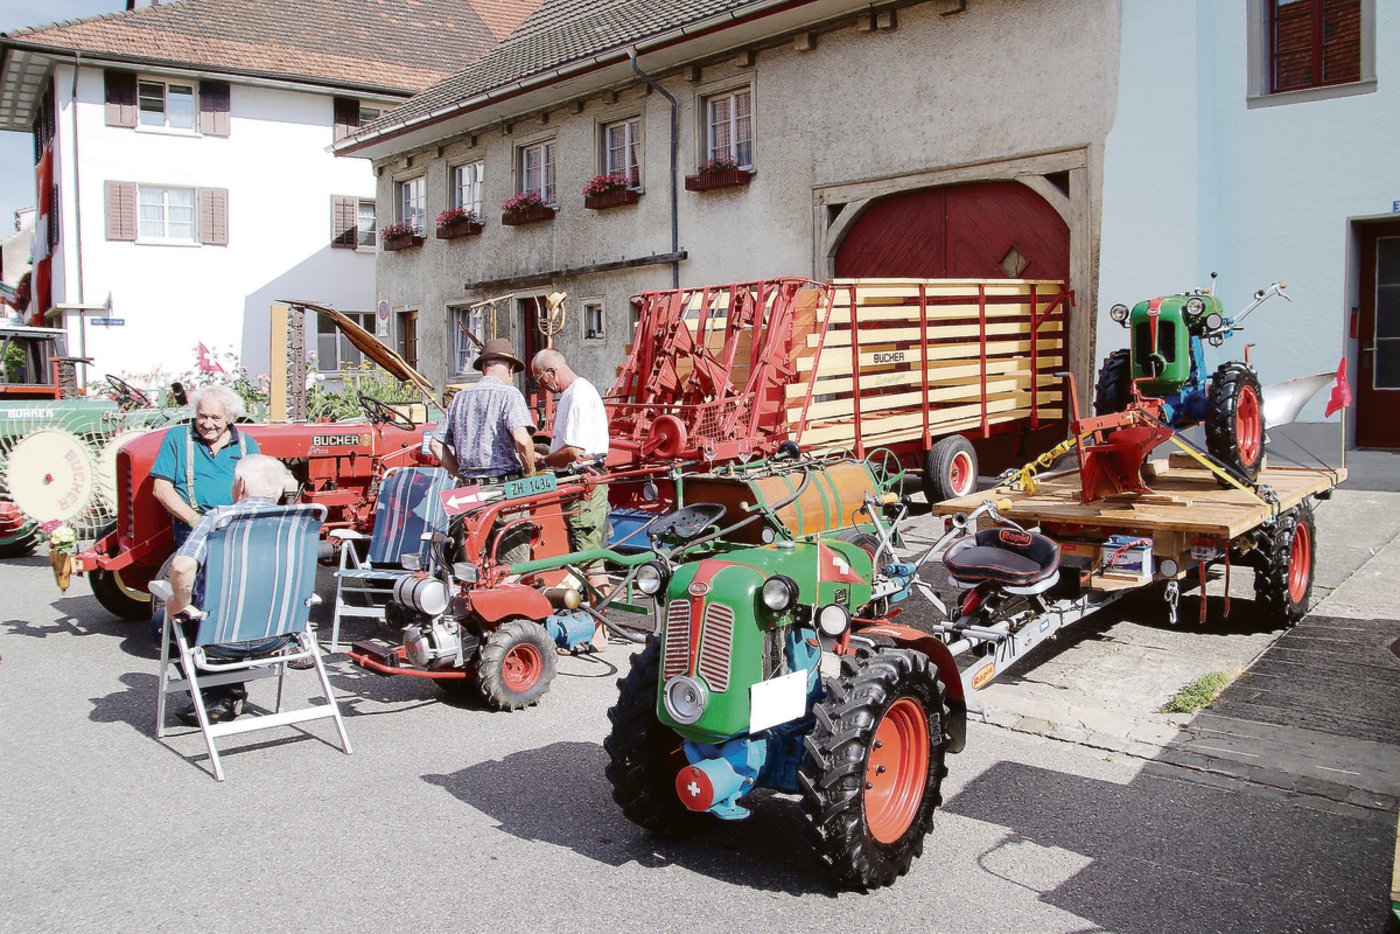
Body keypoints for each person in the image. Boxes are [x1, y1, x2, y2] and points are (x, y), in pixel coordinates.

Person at [162, 454, 294, 725]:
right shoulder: (294, 522)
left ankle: (217, 694)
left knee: (163, 623)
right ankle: (227, 693)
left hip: (221, 636)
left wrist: (178, 602)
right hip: (278, 635)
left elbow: (181, 567)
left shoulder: (219, 519)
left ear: (241, 485)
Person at [430, 338, 537, 565]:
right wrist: (530, 473)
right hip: (504, 487)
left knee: (466, 565)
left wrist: (460, 473)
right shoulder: (510, 395)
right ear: (509, 368)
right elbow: (522, 439)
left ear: (483, 367)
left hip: (466, 489)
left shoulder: (459, 397)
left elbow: (435, 444)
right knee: (512, 565)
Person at [531, 348, 611, 649]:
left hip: (583, 482)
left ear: (552, 371)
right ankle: (588, 621)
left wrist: (544, 460)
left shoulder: (578, 395)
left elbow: (575, 450)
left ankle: (602, 629)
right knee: (581, 552)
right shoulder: (574, 394)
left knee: (588, 554)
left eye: (542, 379)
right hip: (577, 479)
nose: (544, 386)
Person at [150, 384, 260, 550]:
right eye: (202, 416)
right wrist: (195, 521)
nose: (208, 424)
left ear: (229, 418)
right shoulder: (178, 438)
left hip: (235, 528)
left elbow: (258, 492)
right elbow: (161, 488)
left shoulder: (247, 445)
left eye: (215, 418)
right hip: (191, 527)